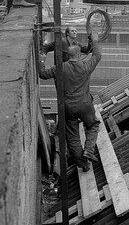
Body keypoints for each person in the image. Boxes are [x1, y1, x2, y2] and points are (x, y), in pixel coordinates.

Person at [39, 33, 101, 172]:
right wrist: (95, 41)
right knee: (93, 125)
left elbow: (42, 74)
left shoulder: (60, 68)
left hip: (67, 106)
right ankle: (89, 150)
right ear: (79, 55)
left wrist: (42, 59)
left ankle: (83, 164)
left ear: (69, 55)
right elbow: (97, 56)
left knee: (72, 136)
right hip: (84, 104)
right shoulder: (85, 66)